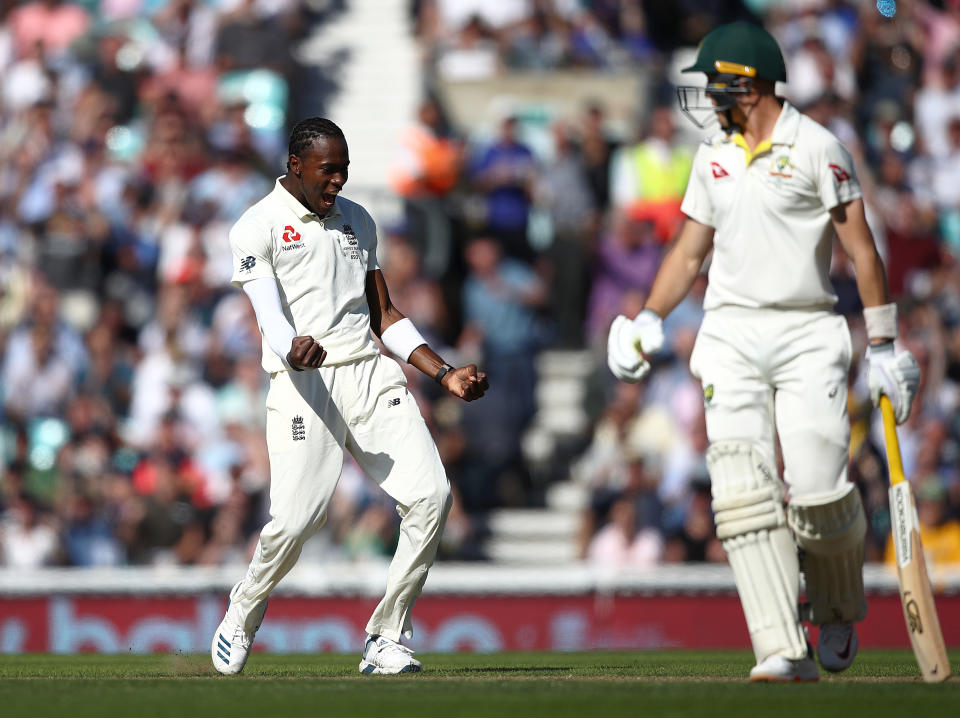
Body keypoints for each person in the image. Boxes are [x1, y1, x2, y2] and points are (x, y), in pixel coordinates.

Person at [607, 22, 921, 682]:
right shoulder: (712, 155)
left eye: (714, 83)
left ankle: (835, 607)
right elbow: (689, 251)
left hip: (808, 331)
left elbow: (862, 251)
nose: (705, 97)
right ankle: (780, 645)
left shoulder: (818, 147)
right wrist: (646, 318)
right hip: (730, 334)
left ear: (746, 85)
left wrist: (886, 344)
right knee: (742, 493)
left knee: (816, 491)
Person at [212, 117, 488, 676]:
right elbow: (267, 313)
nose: (337, 181)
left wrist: (444, 373)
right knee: (296, 522)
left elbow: (385, 315)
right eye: (326, 170)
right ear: (295, 165)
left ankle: (386, 636)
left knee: (431, 495)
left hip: (367, 374)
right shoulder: (257, 226)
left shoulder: (358, 221)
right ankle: (242, 611)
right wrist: (293, 346)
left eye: (343, 170)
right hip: (303, 383)